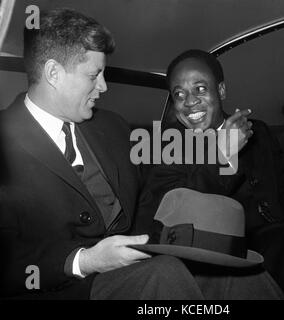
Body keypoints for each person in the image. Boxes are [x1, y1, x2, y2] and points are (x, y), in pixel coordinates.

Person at [0, 8, 207, 300]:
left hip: (139, 270)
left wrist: (211, 152)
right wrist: (86, 260)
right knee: (165, 273)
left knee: (235, 274)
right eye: (94, 75)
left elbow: (156, 184)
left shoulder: (112, 126)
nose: (104, 86)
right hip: (65, 289)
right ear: (53, 73)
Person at [132, 49, 284, 299]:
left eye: (200, 89)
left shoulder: (259, 132)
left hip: (283, 239)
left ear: (221, 91)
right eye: (179, 94)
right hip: (226, 255)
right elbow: (159, 217)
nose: (189, 101)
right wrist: (220, 156)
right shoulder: (165, 146)